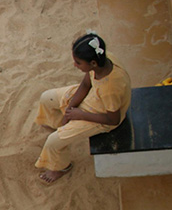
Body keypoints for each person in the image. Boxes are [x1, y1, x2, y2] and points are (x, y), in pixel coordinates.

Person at [34, 32, 131, 184]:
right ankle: (59, 125)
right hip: (93, 98)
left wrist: (80, 115)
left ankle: (61, 167)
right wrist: (70, 109)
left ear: (93, 63)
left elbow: (113, 119)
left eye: (78, 63)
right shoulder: (103, 60)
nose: (75, 65)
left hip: (101, 117)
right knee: (47, 98)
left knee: (53, 142)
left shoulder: (110, 88)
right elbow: (86, 84)